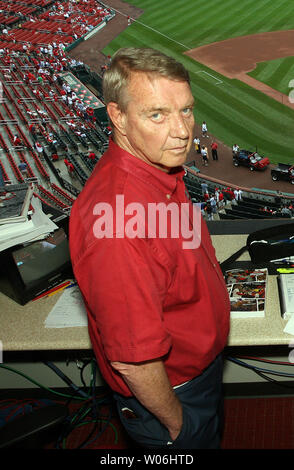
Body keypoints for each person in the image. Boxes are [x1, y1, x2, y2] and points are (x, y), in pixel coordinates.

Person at [69, 47, 230, 450]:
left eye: (187, 111)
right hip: (173, 394)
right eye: (157, 114)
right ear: (118, 117)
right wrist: (178, 427)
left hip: (199, 372)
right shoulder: (119, 225)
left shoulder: (158, 169)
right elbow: (133, 358)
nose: (181, 131)